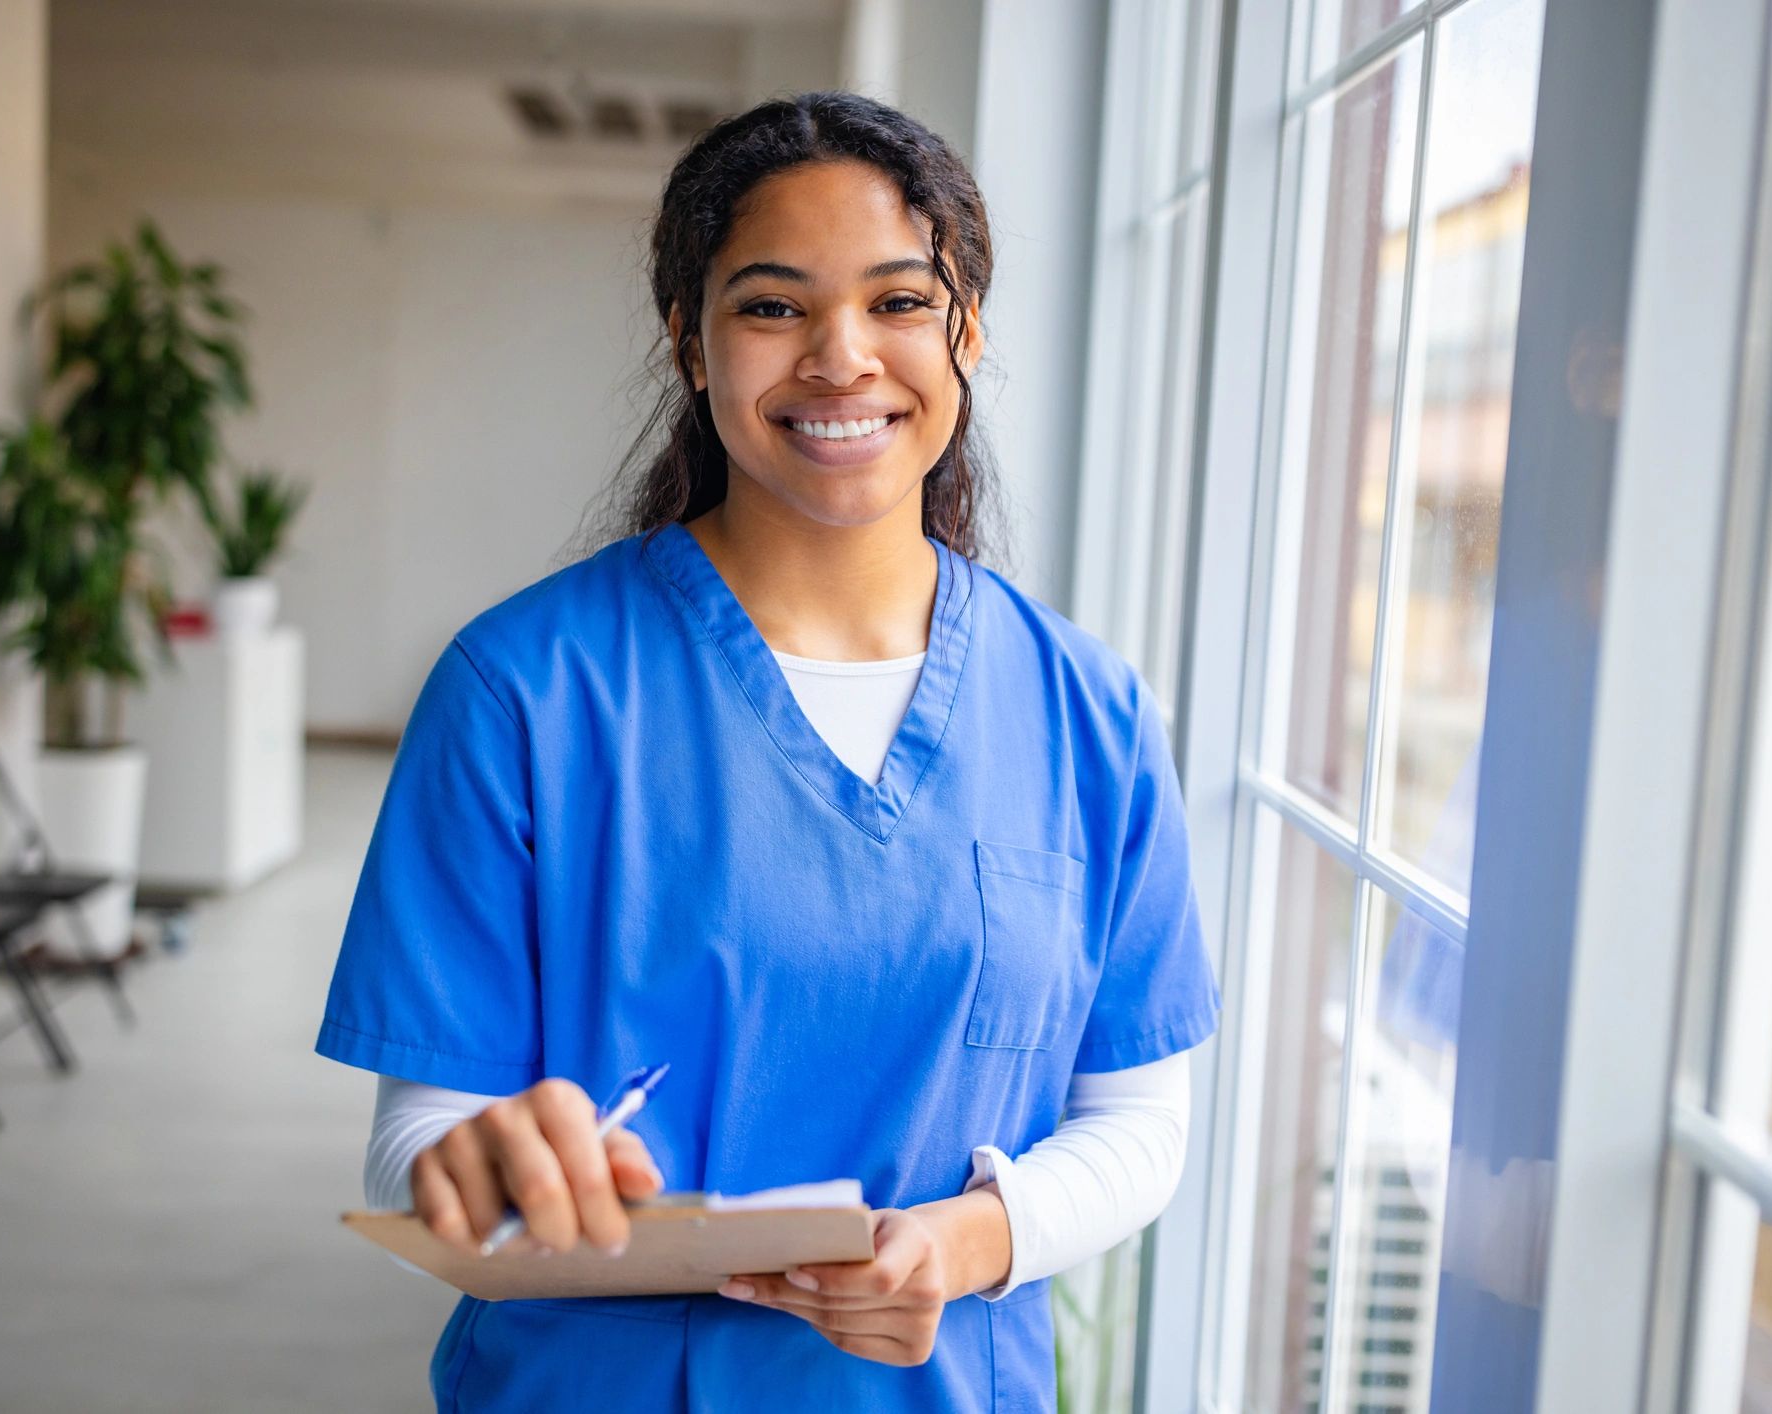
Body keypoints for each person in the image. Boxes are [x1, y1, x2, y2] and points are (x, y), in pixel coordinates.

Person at [315, 90, 1221, 1412]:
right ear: (690, 342)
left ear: (966, 331)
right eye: (773, 305)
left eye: (900, 302)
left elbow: (1140, 1121)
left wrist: (964, 1242)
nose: (842, 357)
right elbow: (415, 1142)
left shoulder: (1091, 713)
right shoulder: (522, 691)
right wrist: (493, 1161)